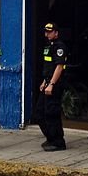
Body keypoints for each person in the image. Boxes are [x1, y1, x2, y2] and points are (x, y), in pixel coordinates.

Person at [33, 22, 68, 152]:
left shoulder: (60, 46)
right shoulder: (49, 46)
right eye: (46, 32)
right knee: (39, 112)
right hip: (48, 82)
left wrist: (52, 84)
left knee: (51, 113)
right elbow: (49, 67)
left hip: (55, 84)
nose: (47, 34)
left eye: (50, 31)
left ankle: (59, 142)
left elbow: (59, 67)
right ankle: (51, 137)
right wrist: (44, 81)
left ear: (56, 33)